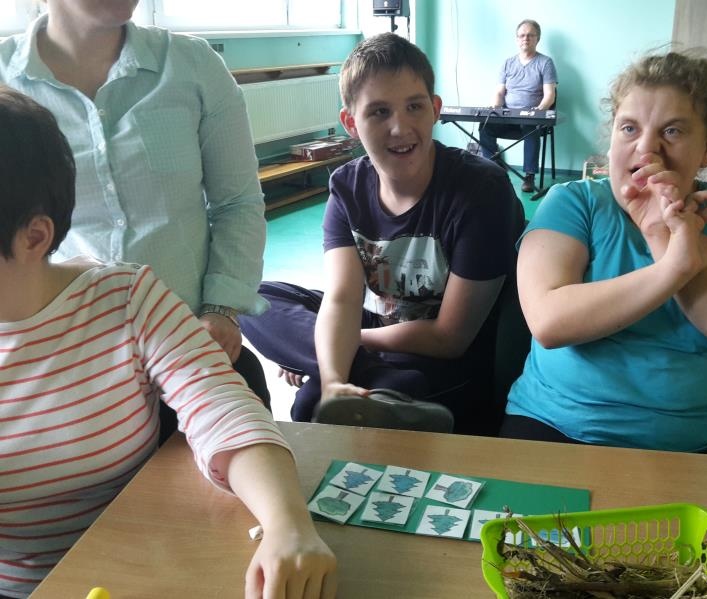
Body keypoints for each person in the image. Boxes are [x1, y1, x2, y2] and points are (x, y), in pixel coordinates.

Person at [0, 87, 336, 599]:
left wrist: (287, 525)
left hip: (139, 571)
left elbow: (222, 407)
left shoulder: (124, 298)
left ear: (33, 237)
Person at [503, 51, 707, 457]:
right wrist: (673, 265)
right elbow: (549, 322)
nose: (647, 148)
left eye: (672, 131)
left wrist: (663, 237)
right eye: (629, 128)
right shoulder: (573, 202)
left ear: (706, 148)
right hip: (558, 424)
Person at [239, 33, 524, 434]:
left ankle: (380, 381)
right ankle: (380, 384)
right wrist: (334, 379)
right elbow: (341, 298)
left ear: (435, 109)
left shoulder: (481, 190)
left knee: (308, 404)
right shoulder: (347, 187)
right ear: (350, 123)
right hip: (379, 329)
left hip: (441, 360)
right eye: (378, 112)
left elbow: (451, 337)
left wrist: (341, 343)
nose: (399, 127)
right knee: (251, 297)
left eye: (414, 106)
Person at [0, 0, 271, 416]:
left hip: (190, 341)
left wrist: (221, 310)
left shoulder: (191, 65)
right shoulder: (6, 80)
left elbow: (237, 202)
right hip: (63, 360)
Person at [479, 19, 557, 193]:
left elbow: (550, 95)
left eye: (530, 35)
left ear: (537, 38)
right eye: (522, 35)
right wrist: (496, 108)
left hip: (530, 117)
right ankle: (493, 168)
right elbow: (499, 92)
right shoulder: (508, 63)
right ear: (517, 39)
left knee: (530, 126)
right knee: (485, 126)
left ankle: (529, 175)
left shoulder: (545, 63)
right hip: (508, 116)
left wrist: (539, 111)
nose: (525, 38)